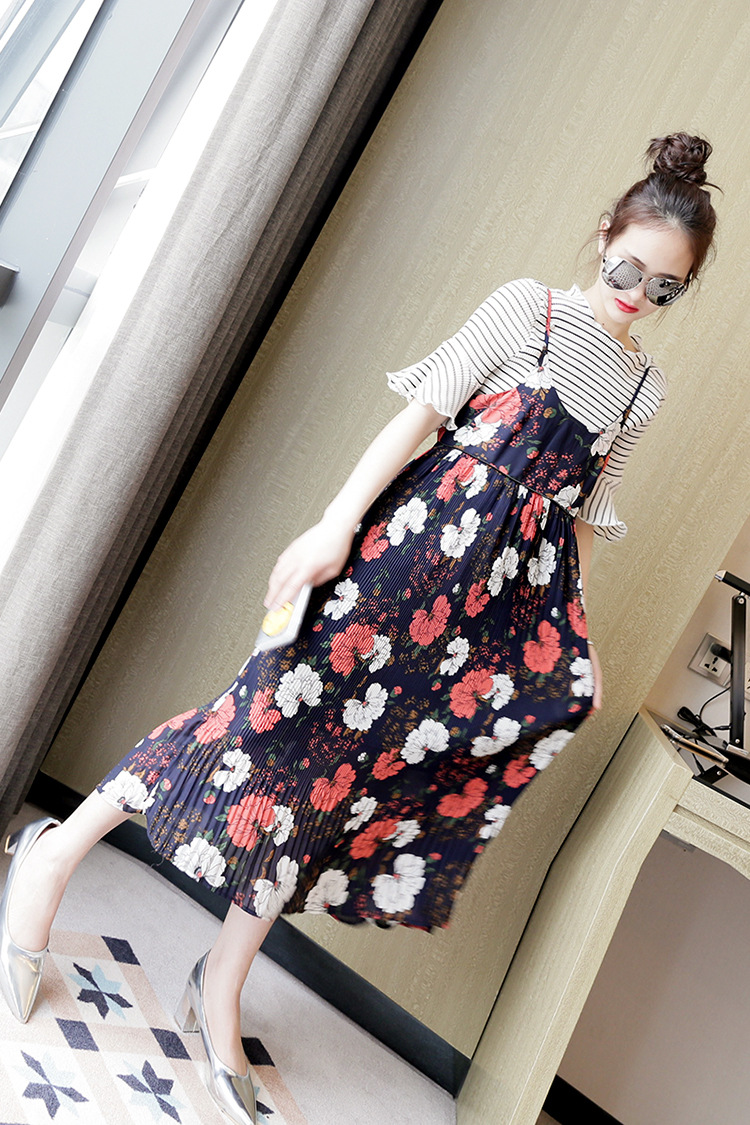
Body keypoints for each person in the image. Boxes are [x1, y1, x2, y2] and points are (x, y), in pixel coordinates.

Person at [0, 132, 718, 1125]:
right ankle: (53, 856)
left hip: (484, 624)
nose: (637, 294)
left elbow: (583, 520)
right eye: (628, 268)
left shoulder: (645, 388)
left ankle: (222, 982)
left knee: (339, 785)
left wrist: (567, 641)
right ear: (603, 236)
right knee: (252, 724)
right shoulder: (529, 309)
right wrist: (334, 526)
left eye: (665, 288)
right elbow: (419, 416)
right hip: (393, 562)